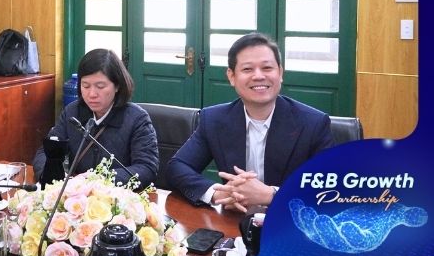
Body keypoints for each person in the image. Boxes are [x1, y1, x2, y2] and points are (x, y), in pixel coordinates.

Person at [166, 33, 334, 212]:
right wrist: (217, 193)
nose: (258, 76)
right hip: (235, 219)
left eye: (267, 68)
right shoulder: (214, 119)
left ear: (280, 73)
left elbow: (333, 186)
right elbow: (177, 167)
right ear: (231, 76)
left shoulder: (313, 123)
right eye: (247, 69)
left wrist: (271, 195)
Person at [33, 49, 159, 189]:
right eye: (85, 86)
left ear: (117, 86)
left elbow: (146, 168)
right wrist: (53, 177)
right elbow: (45, 152)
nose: (92, 94)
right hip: (76, 195)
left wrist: (98, 180)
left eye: (100, 86)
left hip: (117, 197)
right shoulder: (72, 112)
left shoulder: (137, 119)